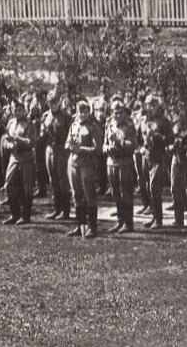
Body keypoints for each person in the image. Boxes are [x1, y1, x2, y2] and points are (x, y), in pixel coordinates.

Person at [66, 99, 103, 239]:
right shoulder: (73, 126)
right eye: (80, 111)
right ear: (76, 112)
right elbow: (67, 143)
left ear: (89, 112)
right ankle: (80, 226)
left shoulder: (93, 128)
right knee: (76, 195)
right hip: (73, 164)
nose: (83, 114)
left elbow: (97, 149)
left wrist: (80, 149)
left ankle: (92, 227)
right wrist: (70, 146)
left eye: (86, 111)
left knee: (90, 195)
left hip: (87, 165)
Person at [2, 97, 39, 225]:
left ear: (24, 110)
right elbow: (6, 139)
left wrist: (17, 139)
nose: (17, 112)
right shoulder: (11, 123)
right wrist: (9, 145)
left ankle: (26, 216)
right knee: (9, 185)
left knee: (27, 187)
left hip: (26, 157)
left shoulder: (30, 124)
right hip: (14, 157)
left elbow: (32, 142)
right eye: (14, 110)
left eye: (19, 110)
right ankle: (14, 214)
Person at [104, 99, 139, 234]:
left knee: (126, 194)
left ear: (124, 113)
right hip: (111, 162)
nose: (117, 115)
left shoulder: (129, 127)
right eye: (115, 112)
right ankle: (120, 221)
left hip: (125, 163)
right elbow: (104, 143)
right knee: (116, 193)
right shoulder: (109, 124)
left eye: (120, 112)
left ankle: (128, 223)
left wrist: (118, 141)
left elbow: (133, 146)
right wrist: (107, 148)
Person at [140, 95, 174, 229]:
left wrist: (156, 136)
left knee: (155, 188)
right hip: (146, 156)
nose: (150, 107)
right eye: (148, 105)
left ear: (158, 106)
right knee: (148, 187)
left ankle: (159, 220)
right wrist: (141, 146)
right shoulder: (144, 120)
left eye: (153, 105)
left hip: (158, 156)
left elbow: (170, 139)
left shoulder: (164, 121)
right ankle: (154, 216)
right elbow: (138, 136)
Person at [40, 91, 72, 221]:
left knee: (63, 180)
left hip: (61, 150)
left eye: (55, 102)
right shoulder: (45, 116)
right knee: (53, 180)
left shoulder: (65, 116)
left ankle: (65, 211)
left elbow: (70, 133)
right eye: (50, 102)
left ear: (59, 102)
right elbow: (42, 133)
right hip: (49, 149)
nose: (53, 105)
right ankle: (56, 209)